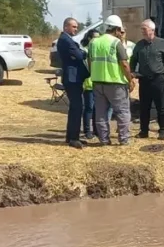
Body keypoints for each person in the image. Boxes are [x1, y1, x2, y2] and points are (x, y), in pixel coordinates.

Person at [88, 15, 135, 146]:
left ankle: (104, 140)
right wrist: (130, 79)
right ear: (116, 29)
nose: (120, 33)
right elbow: (124, 64)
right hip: (116, 84)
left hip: (97, 83)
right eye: (120, 30)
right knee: (122, 112)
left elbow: (90, 61)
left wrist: (94, 75)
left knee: (101, 113)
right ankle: (124, 139)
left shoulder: (93, 42)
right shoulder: (116, 43)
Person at [129, 19, 164, 140]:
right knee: (144, 107)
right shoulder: (139, 45)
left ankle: (162, 131)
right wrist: (132, 72)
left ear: (152, 30)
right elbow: (133, 59)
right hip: (144, 80)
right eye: (142, 29)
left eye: (144, 29)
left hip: (158, 79)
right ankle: (144, 131)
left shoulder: (162, 43)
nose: (142, 31)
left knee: (161, 107)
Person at [56, 17, 88, 149]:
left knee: (74, 108)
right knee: (77, 107)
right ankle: (74, 138)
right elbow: (80, 56)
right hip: (72, 78)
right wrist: (82, 52)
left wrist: (80, 52)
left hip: (74, 78)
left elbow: (78, 54)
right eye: (73, 27)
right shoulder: (65, 40)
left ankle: (71, 136)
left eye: (76, 27)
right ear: (66, 27)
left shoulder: (67, 40)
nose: (76, 29)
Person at [80, 28, 102, 141]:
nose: (97, 40)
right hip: (88, 83)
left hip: (98, 83)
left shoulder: (98, 50)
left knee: (96, 108)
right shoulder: (85, 50)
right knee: (89, 108)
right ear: (89, 38)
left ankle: (97, 130)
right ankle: (87, 131)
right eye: (94, 37)